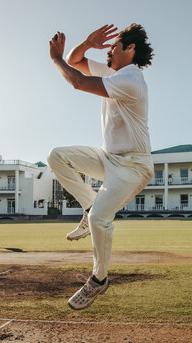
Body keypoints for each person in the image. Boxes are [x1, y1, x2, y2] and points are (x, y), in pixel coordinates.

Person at [48, 24, 154, 310]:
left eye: (115, 45)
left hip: (133, 166)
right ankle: (88, 205)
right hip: (109, 157)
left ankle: (99, 279)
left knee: (100, 220)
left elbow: (77, 80)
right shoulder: (114, 72)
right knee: (57, 156)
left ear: (130, 49)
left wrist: (54, 59)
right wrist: (86, 43)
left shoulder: (131, 80)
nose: (109, 49)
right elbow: (76, 61)